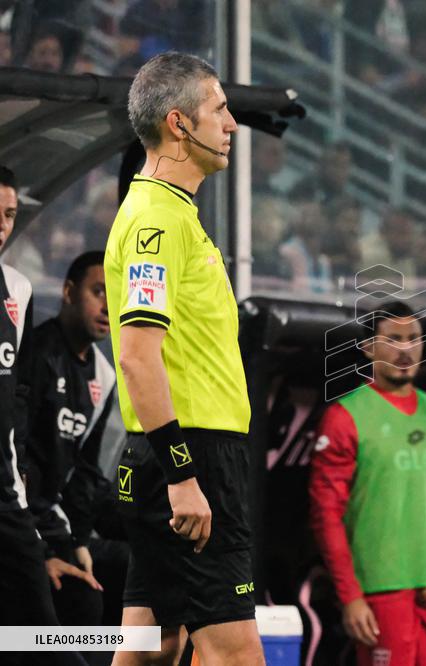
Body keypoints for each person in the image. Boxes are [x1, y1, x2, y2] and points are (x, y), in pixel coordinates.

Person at [104, 52, 264, 665]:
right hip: (190, 454)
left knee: (152, 644)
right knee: (235, 653)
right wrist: (183, 476)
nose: (231, 123)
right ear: (179, 123)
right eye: (219, 109)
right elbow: (137, 359)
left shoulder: (168, 213)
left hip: (176, 455)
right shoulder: (156, 222)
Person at [309, 300, 426, 665]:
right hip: (379, 592)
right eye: (393, 339)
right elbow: (326, 515)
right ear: (368, 348)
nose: (405, 349)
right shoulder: (344, 417)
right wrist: (350, 597)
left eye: (413, 338)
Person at [0, 165, 86, 665]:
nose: (2, 226)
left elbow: (18, 401)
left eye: (10, 215)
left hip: (5, 498)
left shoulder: (19, 289)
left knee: (43, 634)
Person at [24, 251, 116, 629]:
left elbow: (86, 471)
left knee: (145, 565)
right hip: (21, 524)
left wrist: (78, 541)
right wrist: (39, 551)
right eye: (99, 291)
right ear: (68, 292)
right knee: (83, 604)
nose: (109, 307)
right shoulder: (34, 355)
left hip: (56, 523)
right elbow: (14, 458)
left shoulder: (104, 376)